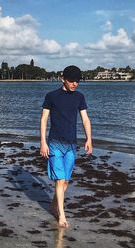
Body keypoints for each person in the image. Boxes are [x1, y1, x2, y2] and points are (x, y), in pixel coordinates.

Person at [40, 65, 92, 228]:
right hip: (55, 143)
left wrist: (89, 139)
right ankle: (61, 215)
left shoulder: (79, 97)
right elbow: (44, 119)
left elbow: (85, 119)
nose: (75, 84)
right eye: (71, 81)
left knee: (66, 182)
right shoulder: (51, 96)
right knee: (60, 179)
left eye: (77, 81)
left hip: (71, 144)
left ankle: (54, 205)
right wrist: (43, 142)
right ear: (63, 79)